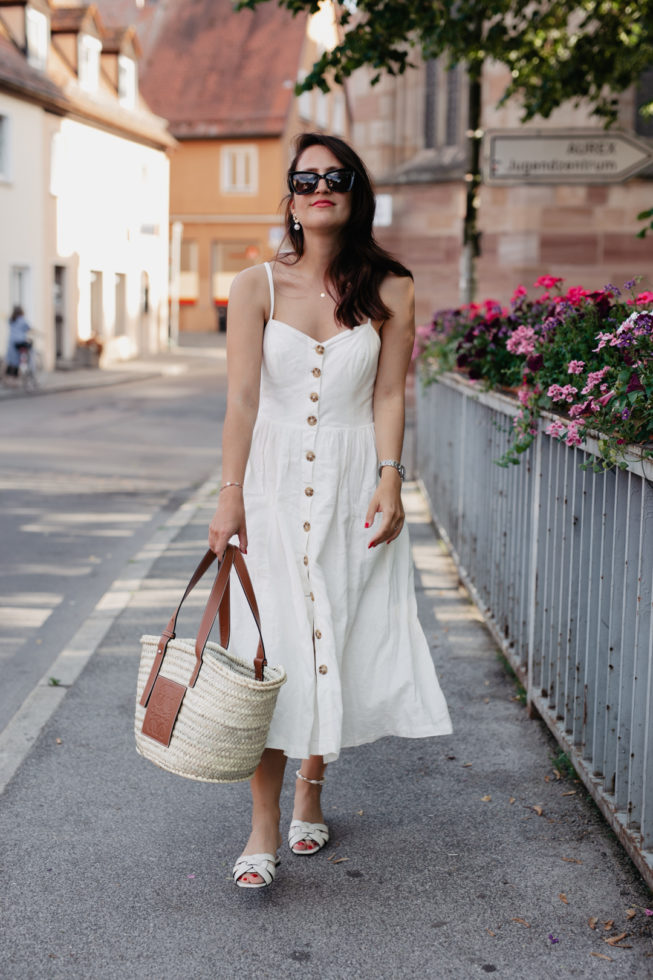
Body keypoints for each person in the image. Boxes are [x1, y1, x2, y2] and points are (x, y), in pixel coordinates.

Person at [208, 132, 452, 889]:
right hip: (272, 485)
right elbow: (242, 400)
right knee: (270, 647)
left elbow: (387, 394)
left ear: (354, 192)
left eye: (335, 175)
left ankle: (312, 788)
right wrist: (228, 497)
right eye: (305, 177)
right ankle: (261, 830)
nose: (320, 187)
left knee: (333, 631)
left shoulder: (394, 287)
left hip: (351, 481)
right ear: (289, 194)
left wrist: (390, 479)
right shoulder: (255, 286)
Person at [4, 306, 32, 382]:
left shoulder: (12, 319)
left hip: (12, 342)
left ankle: (9, 378)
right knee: (18, 360)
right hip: (20, 342)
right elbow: (28, 328)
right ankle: (16, 378)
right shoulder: (22, 320)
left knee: (11, 361)